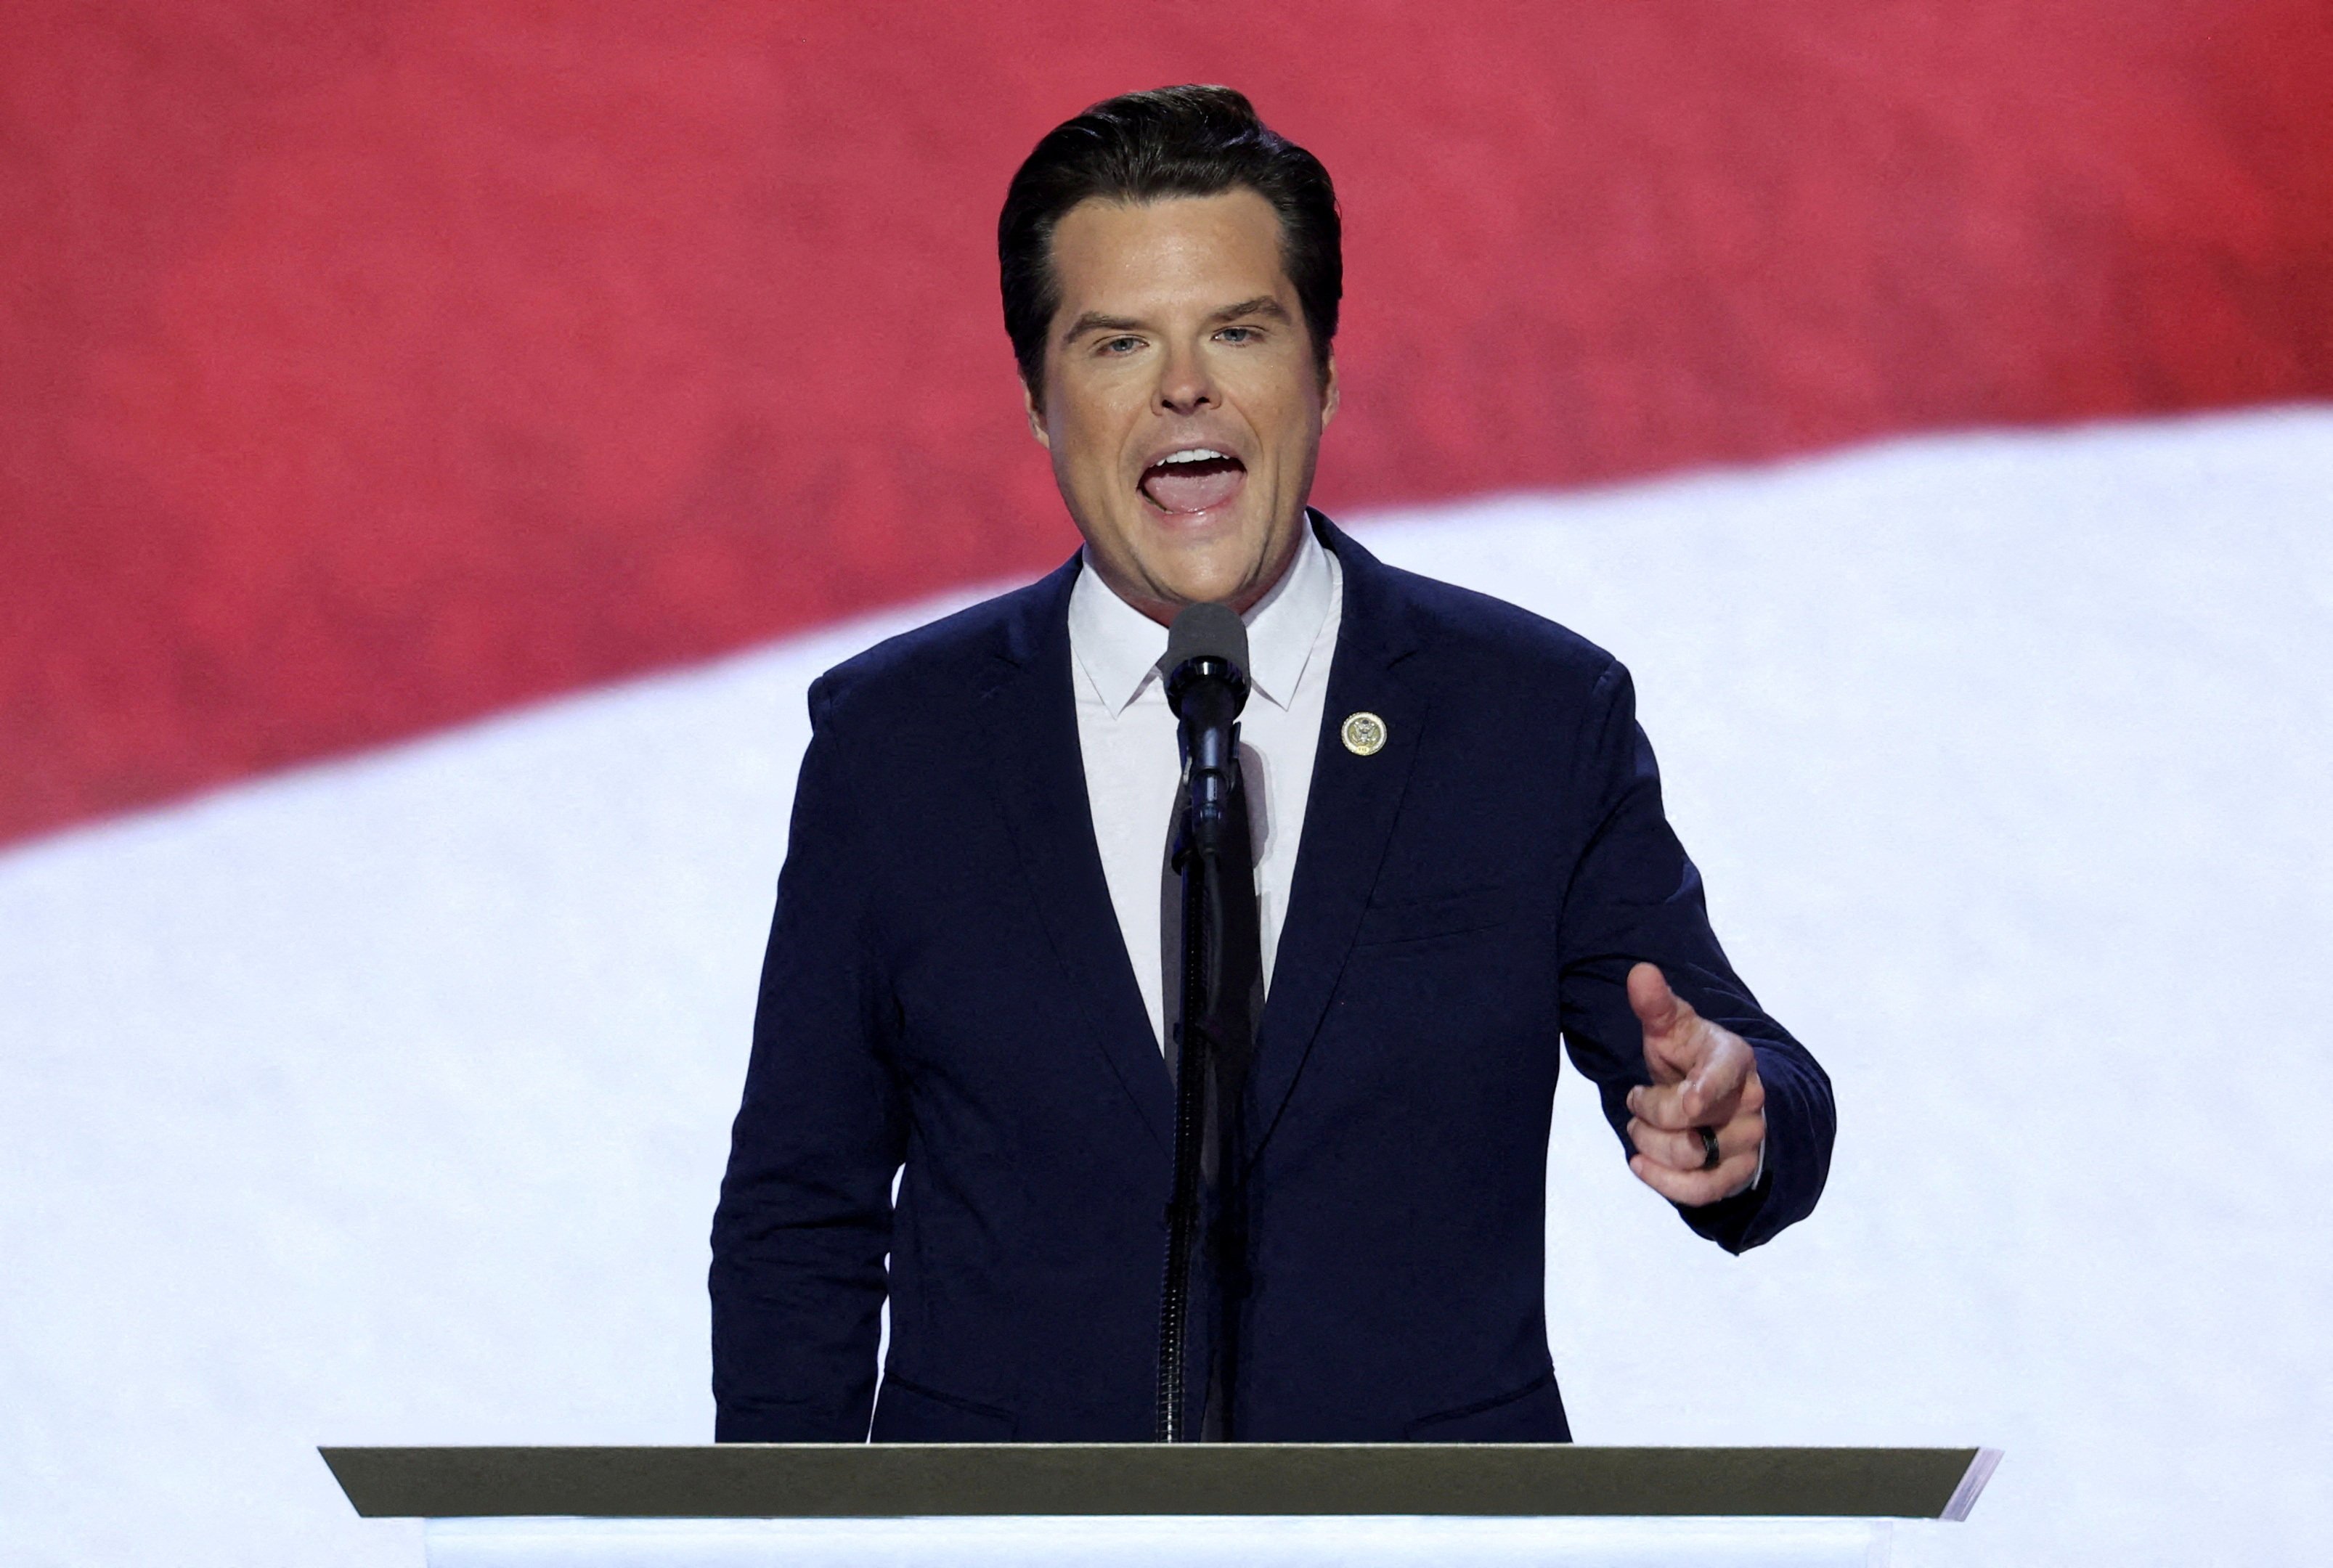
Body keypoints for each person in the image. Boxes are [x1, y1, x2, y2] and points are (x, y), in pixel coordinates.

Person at [709, 85, 1833, 1442]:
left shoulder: (1528, 718)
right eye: (1117, 342)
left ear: (1324, 371)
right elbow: (800, 1215)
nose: (1184, 384)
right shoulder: (899, 744)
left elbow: (1739, 1070)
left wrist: (1736, 1122)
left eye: (1238, 330)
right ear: (1036, 399)